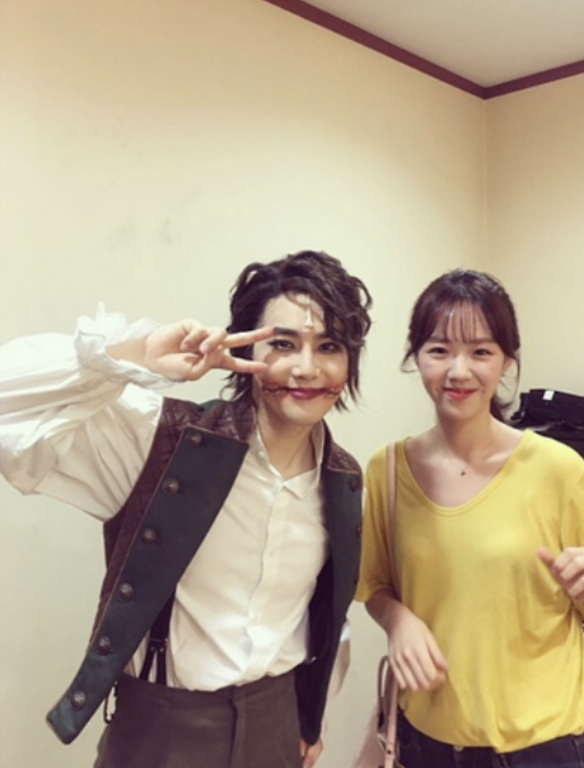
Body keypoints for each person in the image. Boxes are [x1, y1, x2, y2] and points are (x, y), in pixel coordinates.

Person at [0, 250, 372, 768]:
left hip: (277, 726)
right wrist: (136, 357)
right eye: (283, 344)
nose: (306, 368)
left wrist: (312, 718)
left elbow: (321, 616)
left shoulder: (343, 477)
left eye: (329, 346)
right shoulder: (164, 442)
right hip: (162, 730)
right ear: (244, 347)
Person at [356, 269, 584, 768]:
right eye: (439, 349)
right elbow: (376, 586)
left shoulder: (560, 470)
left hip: (546, 748)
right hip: (429, 745)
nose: (458, 371)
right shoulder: (388, 469)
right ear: (415, 355)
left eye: (481, 352)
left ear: (507, 361)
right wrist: (397, 620)